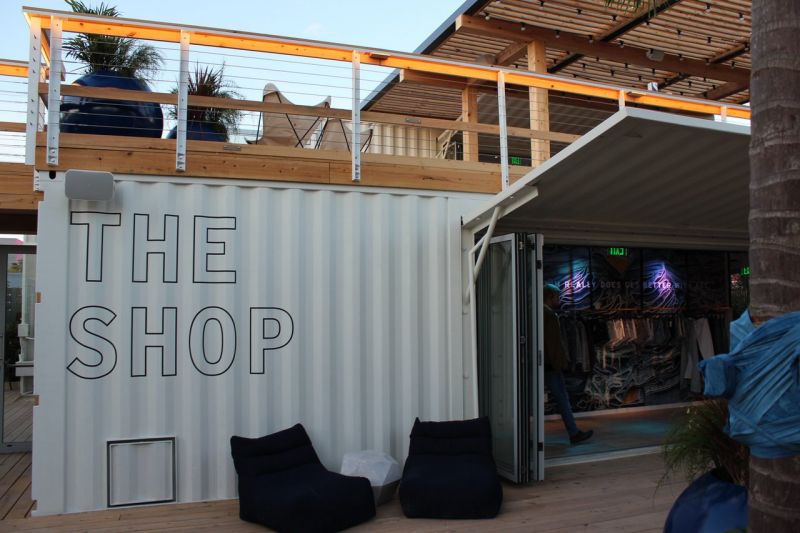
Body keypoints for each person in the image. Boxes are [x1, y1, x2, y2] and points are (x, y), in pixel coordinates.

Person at [543, 284, 593, 445]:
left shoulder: (537, 312)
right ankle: (573, 433)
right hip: (550, 365)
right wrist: (560, 363)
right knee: (562, 398)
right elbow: (553, 344)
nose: (559, 299)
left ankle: (573, 432)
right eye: (557, 296)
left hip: (543, 363)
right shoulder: (549, 315)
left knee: (553, 398)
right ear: (551, 296)